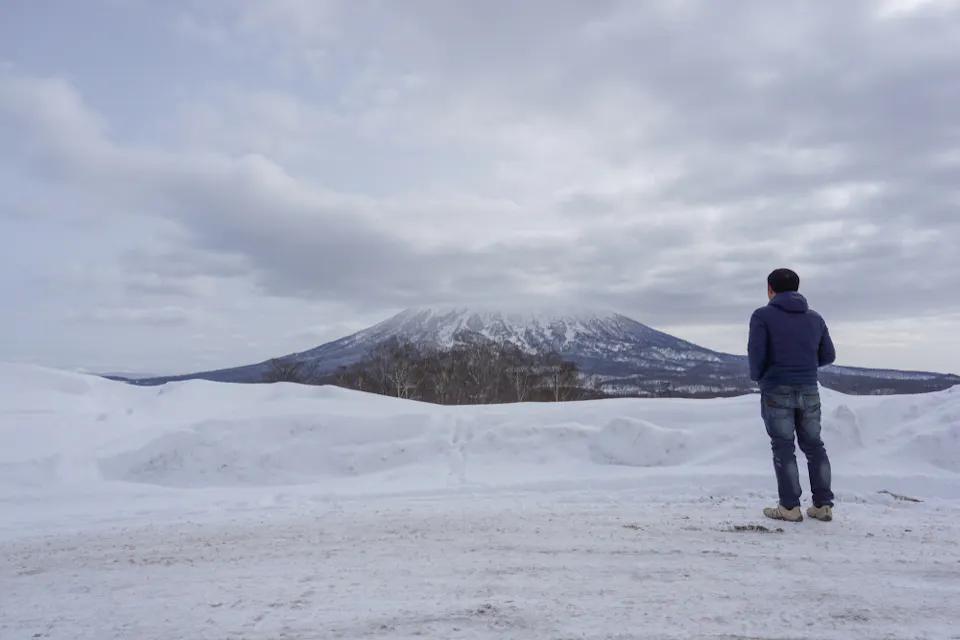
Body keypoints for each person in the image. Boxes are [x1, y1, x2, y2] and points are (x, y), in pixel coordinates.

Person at [748, 268, 836, 522]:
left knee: (783, 447)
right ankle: (823, 506)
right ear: (797, 288)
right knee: (814, 446)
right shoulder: (815, 318)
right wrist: (805, 366)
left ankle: (789, 507)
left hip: (776, 388)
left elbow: (756, 354)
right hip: (809, 388)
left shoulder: (762, 316)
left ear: (770, 289)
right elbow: (828, 355)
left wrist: (761, 376)